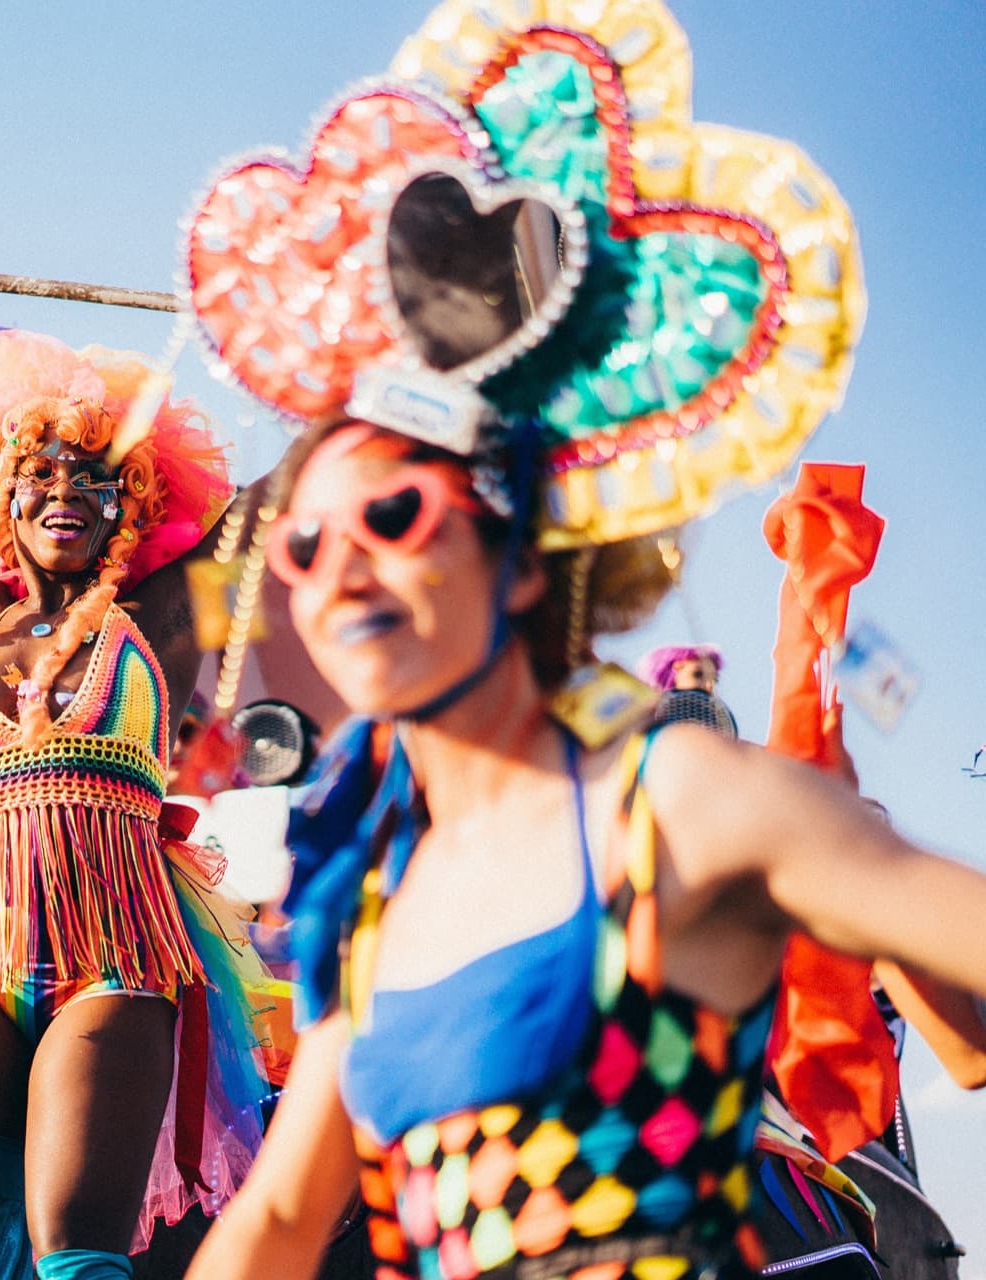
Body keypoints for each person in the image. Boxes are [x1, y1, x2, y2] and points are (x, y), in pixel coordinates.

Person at [171, 5, 986, 1277]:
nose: (341, 569)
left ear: (512, 548)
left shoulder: (678, 799)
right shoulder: (375, 890)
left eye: (392, 515)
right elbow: (276, 1221)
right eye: (305, 544)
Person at [0, 263, 278, 1280]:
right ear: (3, 488)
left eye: (96, 476)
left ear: (131, 498)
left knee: (73, 1253)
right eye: (44, 472)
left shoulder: (153, 620)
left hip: (114, 950)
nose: (68, 493)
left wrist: (301, 337)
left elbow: (284, 501)